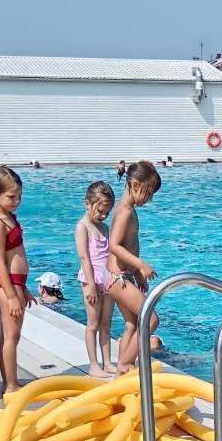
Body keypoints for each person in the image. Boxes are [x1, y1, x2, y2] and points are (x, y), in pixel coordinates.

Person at [108, 160, 161, 369]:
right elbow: (114, 245)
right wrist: (141, 264)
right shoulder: (125, 212)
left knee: (132, 325)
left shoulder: (128, 209)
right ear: (135, 185)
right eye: (148, 192)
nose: (150, 198)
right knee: (151, 319)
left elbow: (128, 246)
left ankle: (121, 373)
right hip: (117, 279)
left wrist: (137, 272)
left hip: (123, 276)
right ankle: (126, 363)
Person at [0, 166, 31, 395]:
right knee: (11, 337)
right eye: (12, 197)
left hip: (15, 282)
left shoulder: (8, 216)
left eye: (19, 196)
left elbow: (15, 255)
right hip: (7, 284)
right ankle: (10, 385)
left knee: (10, 335)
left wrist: (24, 287)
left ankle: (9, 382)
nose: (17, 201)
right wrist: (12, 295)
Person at [74, 179, 117, 376]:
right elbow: (84, 257)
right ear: (87, 204)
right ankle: (93, 365)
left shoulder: (104, 228)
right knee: (93, 324)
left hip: (106, 279)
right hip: (90, 279)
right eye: (100, 211)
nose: (104, 215)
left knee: (106, 323)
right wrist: (91, 284)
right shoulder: (82, 227)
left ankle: (107, 362)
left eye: (107, 212)